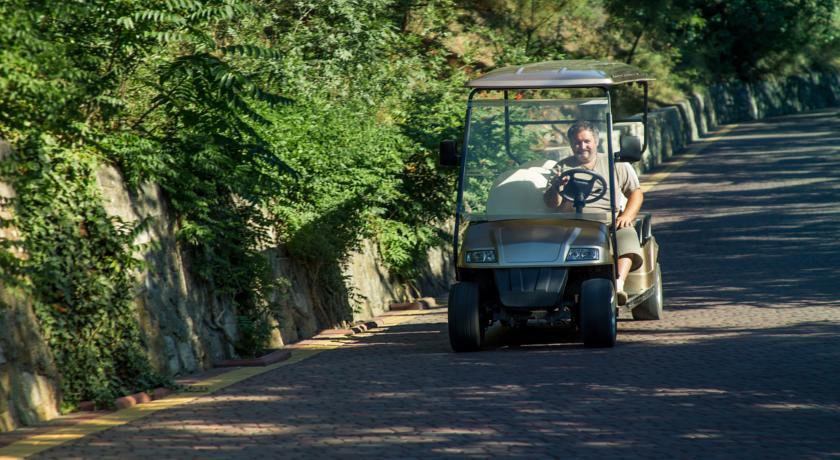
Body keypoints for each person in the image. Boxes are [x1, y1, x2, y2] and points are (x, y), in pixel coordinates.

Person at [543, 121, 644, 305]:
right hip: (570, 222)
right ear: (571, 144)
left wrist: (626, 216)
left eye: (586, 141)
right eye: (577, 143)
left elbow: (636, 192)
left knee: (627, 235)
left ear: (596, 141)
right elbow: (551, 204)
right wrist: (557, 188)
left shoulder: (615, 163)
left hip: (608, 222)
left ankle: (618, 284)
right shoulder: (561, 168)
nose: (582, 146)